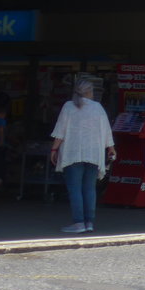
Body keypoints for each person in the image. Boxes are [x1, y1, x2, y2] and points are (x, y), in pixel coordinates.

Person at [50, 79, 116, 234]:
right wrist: (111, 149)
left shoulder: (68, 107)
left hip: (73, 154)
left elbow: (60, 131)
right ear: (90, 92)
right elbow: (106, 131)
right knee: (89, 188)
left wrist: (54, 150)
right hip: (93, 154)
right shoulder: (97, 108)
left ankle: (78, 222)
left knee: (75, 189)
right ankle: (89, 222)